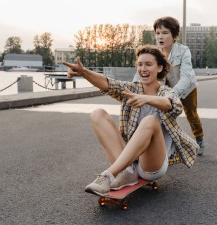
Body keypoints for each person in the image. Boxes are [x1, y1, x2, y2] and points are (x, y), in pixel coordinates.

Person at [62, 45, 199, 196]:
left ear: (159, 68)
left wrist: (146, 99)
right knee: (97, 113)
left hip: (152, 165)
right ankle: (126, 173)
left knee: (150, 121)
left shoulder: (167, 91)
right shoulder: (132, 89)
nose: (143, 69)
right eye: (140, 64)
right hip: (131, 162)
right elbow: (108, 84)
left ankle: (109, 175)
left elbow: (171, 105)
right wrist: (83, 72)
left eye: (148, 64)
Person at [133, 16, 205, 155]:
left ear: (174, 35)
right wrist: (133, 88)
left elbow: (186, 77)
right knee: (164, 117)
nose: (160, 37)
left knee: (191, 114)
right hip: (164, 90)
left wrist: (172, 95)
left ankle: (199, 138)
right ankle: (168, 147)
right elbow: (141, 72)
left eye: (165, 33)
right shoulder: (153, 52)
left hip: (186, 89)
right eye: (158, 33)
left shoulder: (183, 51)